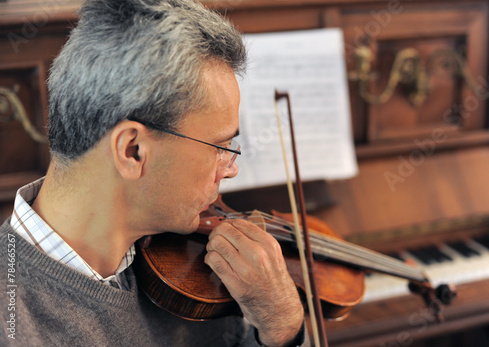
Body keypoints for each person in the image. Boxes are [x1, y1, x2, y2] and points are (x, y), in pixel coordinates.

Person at [0, 0, 310, 346]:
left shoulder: (198, 277)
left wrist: (282, 328)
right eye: (220, 146)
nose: (232, 169)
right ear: (132, 150)